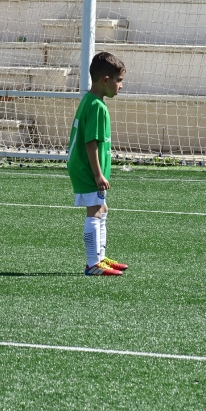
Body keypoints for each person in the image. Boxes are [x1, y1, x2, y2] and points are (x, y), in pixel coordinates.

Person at [67, 52, 128, 276]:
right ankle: (93, 263)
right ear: (105, 80)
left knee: (102, 208)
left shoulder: (90, 99)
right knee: (94, 210)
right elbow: (90, 143)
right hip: (86, 168)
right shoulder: (98, 107)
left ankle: (101, 258)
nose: (121, 86)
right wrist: (98, 174)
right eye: (118, 80)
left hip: (84, 166)